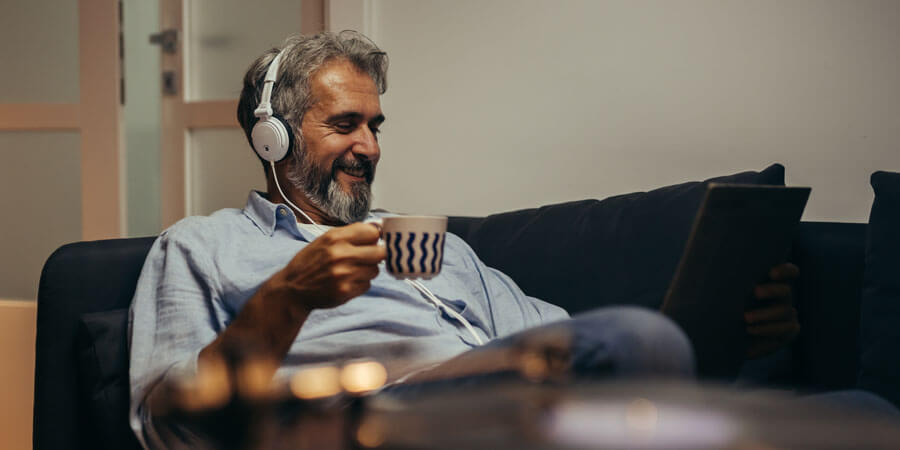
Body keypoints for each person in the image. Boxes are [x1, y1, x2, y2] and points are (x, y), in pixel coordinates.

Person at [128, 31, 807, 448]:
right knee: (636, 342)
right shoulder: (202, 247)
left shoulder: (437, 247)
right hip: (363, 424)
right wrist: (287, 297)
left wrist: (724, 337)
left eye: (376, 126)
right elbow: (169, 423)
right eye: (344, 125)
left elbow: (570, 345)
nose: (367, 146)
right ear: (269, 137)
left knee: (856, 413)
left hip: (504, 414)